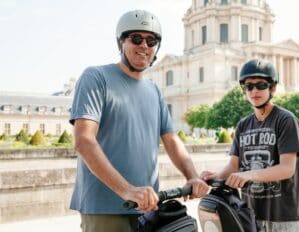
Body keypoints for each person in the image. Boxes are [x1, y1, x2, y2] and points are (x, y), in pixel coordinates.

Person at [69, 9, 209, 232]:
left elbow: (172, 140)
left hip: (148, 207)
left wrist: (192, 177)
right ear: (121, 42)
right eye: (136, 38)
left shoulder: (154, 90)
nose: (144, 45)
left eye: (151, 40)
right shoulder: (95, 77)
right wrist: (127, 190)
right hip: (104, 208)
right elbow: (84, 141)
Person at [201, 59, 299, 232]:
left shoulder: (285, 120)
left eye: (261, 85)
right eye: (249, 86)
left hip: (283, 218)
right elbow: (233, 166)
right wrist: (214, 177)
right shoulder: (243, 125)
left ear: (272, 88)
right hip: (250, 216)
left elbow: (287, 168)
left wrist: (249, 175)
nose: (254, 91)